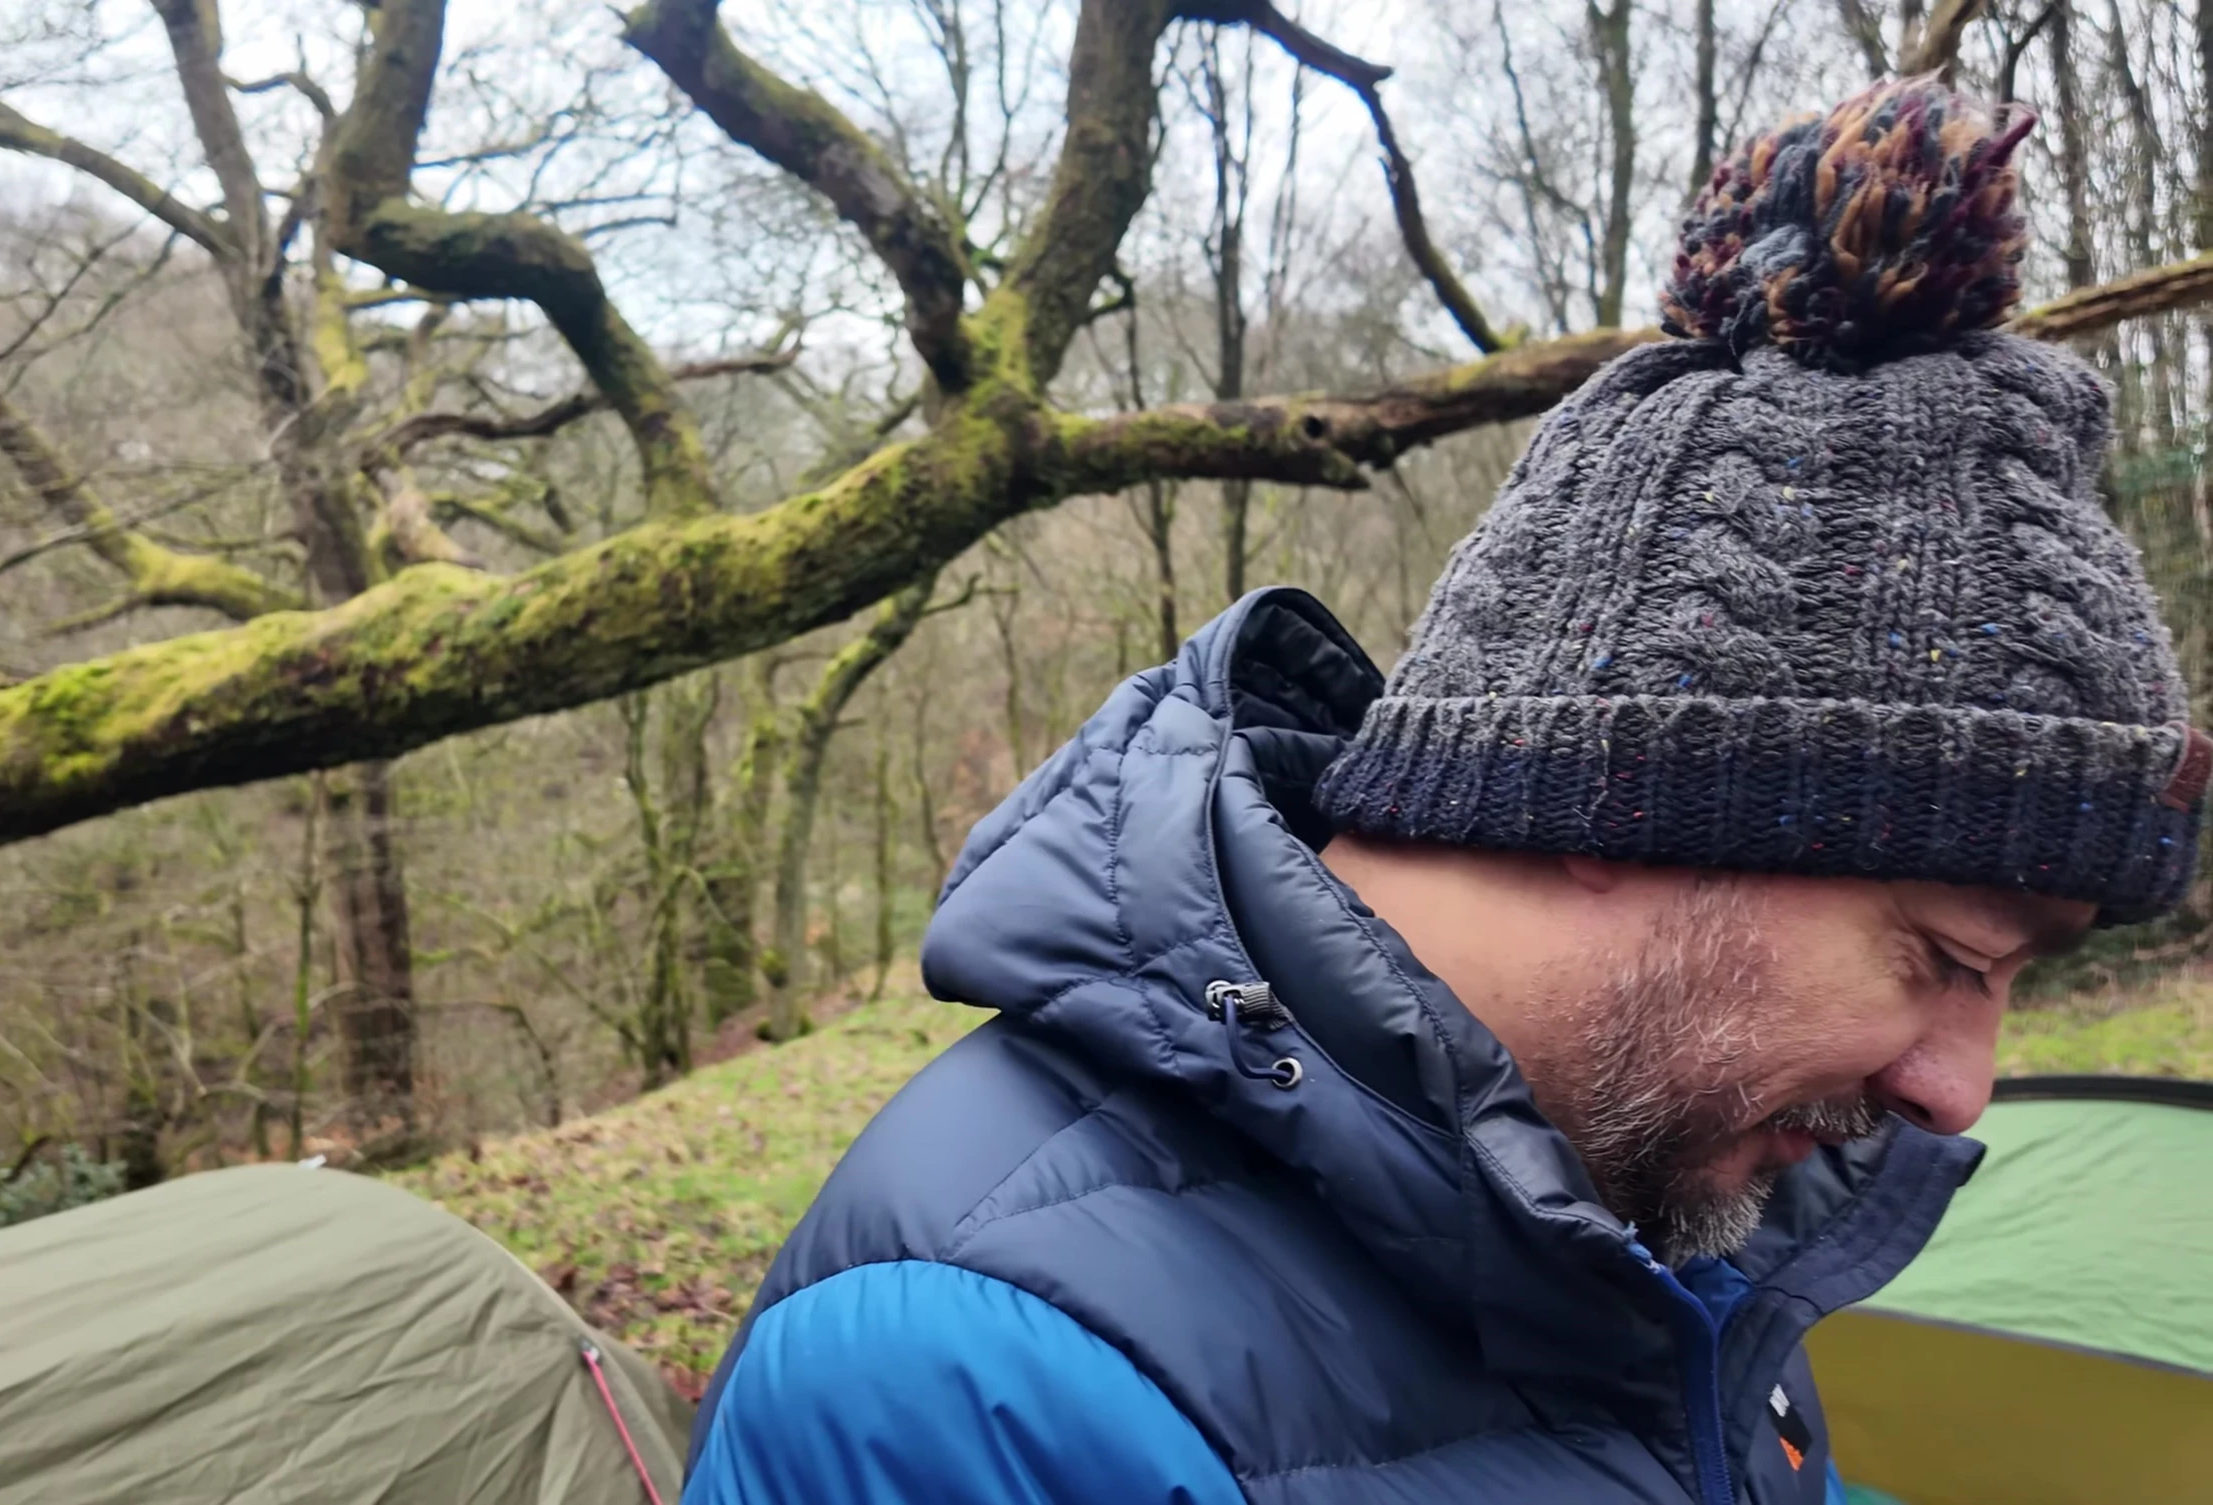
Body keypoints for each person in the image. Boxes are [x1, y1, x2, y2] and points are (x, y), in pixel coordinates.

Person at [682, 78, 2211, 1505]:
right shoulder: (976, 1384)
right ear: (1629, 806)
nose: (1958, 1088)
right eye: (1946, 959)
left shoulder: (1681, 1201)